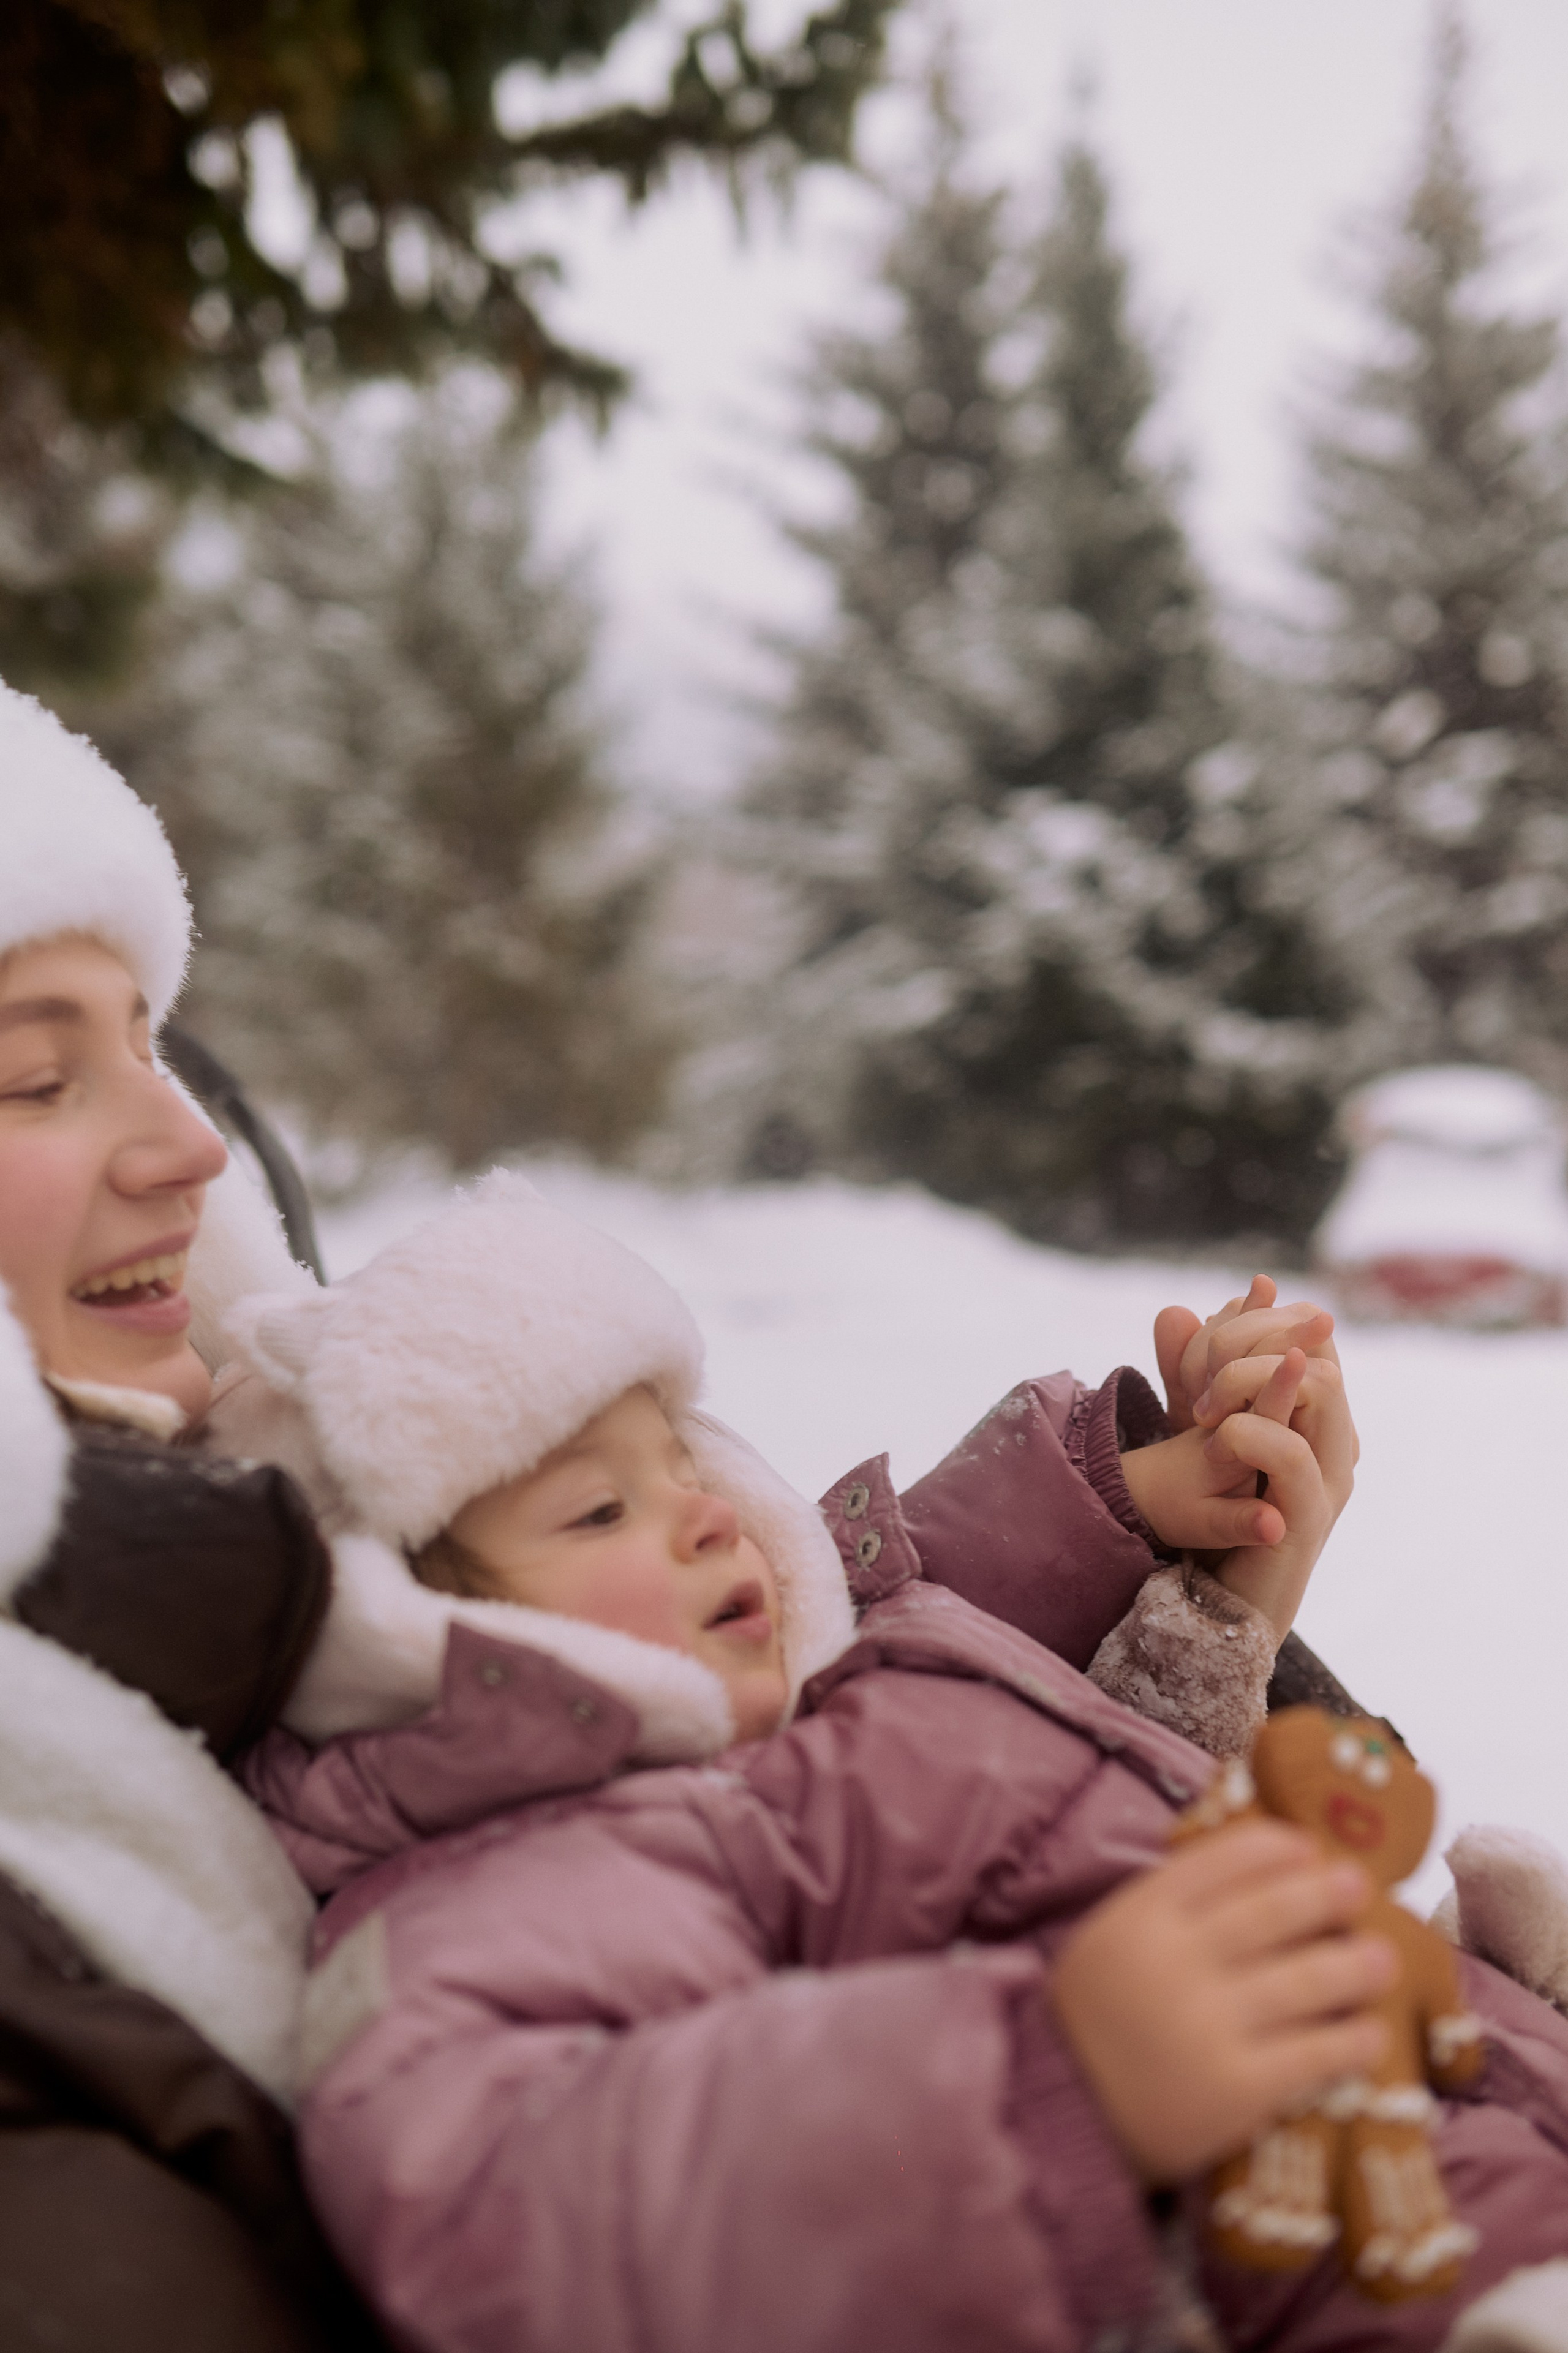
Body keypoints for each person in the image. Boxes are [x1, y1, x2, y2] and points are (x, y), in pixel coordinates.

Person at [221, 1173, 1568, 2353]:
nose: (704, 1516)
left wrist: (1182, 1563)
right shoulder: (489, 1897)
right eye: (596, 1507)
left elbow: (1032, 1820)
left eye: (681, 1464)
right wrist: (1046, 2081)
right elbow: (513, 2208)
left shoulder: (817, 1726)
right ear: (406, 1641)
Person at [0, 681, 382, 2351]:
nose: (194, 1147)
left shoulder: (297, 1611)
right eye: (34, 1080)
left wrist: (1186, 1635)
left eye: (154, 1044)